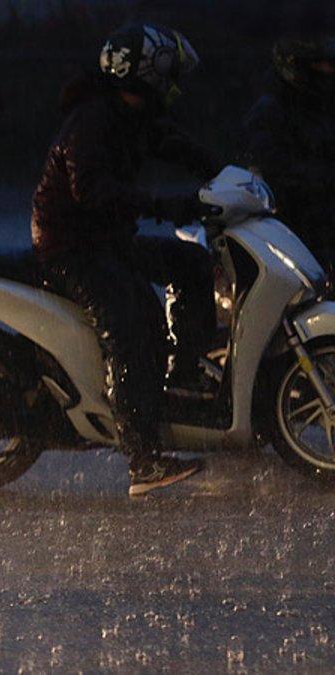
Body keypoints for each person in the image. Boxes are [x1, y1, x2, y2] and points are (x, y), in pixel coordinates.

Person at [30, 22, 218, 496]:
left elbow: (174, 144)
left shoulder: (132, 115)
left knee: (193, 264)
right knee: (134, 327)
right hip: (72, 247)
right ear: (144, 75)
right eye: (168, 73)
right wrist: (162, 205)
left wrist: (227, 173)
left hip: (108, 239)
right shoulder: (92, 120)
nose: (173, 83)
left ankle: (187, 373)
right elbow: (90, 191)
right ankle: (142, 459)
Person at [244, 37, 335, 265]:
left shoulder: (320, 108)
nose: (327, 72)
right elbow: (271, 170)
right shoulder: (272, 112)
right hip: (296, 226)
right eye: (318, 67)